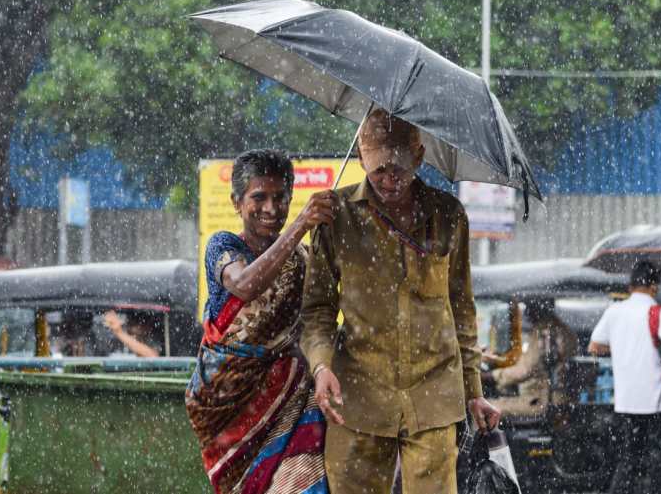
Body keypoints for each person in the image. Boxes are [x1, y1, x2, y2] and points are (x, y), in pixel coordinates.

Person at [301, 109, 501, 494]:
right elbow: (318, 310)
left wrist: (474, 392)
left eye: (400, 169)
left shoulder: (448, 215)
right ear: (361, 160)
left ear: (420, 158)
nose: (390, 180)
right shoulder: (334, 216)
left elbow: (462, 309)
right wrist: (321, 366)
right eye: (378, 171)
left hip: (434, 392)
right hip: (356, 393)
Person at [185, 149, 336, 494]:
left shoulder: (302, 259)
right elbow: (245, 285)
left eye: (280, 198)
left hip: (289, 396)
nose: (271, 208)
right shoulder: (223, 246)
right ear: (237, 202)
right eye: (259, 197)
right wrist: (301, 223)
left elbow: (316, 319)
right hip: (228, 401)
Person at [588, 260, 661, 494]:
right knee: (658, 464)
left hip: (626, 404)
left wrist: (623, 348)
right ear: (654, 286)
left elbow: (594, 346)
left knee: (627, 462)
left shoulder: (614, 312)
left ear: (631, 285)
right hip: (657, 406)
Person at [482, 298, 578, 416]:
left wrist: (492, 376)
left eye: (529, 307)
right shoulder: (564, 330)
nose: (527, 313)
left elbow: (525, 370)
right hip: (560, 400)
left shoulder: (544, 333)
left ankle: (473, 434)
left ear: (539, 307)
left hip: (538, 401)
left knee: (484, 407)